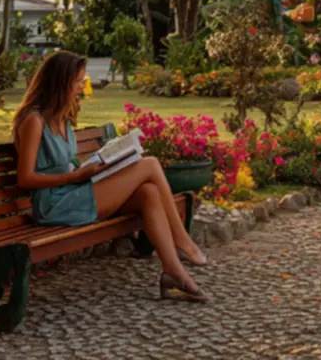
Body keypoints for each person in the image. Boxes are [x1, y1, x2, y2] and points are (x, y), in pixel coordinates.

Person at [12, 49, 210, 302]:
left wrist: (99, 165)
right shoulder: (34, 121)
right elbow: (26, 179)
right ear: (60, 82)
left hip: (73, 192)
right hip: (54, 205)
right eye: (77, 82)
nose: (82, 87)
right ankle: (183, 240)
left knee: (148, 192)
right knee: (149, 164)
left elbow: (64, 164)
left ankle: (173, 272)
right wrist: (74, 177)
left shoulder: (63, 118)